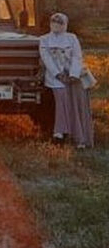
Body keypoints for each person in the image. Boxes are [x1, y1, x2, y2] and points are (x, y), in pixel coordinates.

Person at [39, 12, 94, 148]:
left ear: (65, 24)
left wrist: (73, 75)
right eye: (54, 22)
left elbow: (77, 56)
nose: (56, 25)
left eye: (60, 23)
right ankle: (59, 132)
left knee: (76, 105)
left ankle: (78, 135)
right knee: (61, 103)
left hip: (73, 77)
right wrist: (58, 75)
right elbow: (47, 59)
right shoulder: (44, 39)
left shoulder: (71, 38)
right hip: (55, 78)